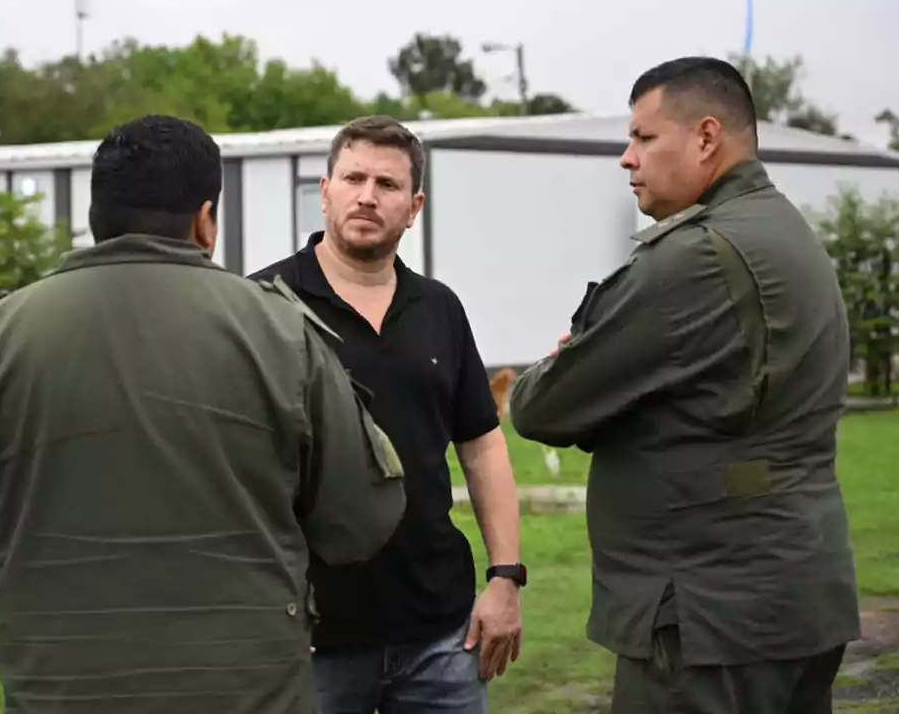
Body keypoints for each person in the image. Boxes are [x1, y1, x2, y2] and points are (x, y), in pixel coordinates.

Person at [0, 114, 408, 714]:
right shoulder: (281, 332)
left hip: (59, 689)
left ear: (94, 217)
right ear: (205, 220)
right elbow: (360, 517)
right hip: (247, 690)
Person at [508, 57, 860, 714]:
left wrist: (574, 365)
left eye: (643, 137)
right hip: (798, 588)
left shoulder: (694, 257)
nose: (626, 158)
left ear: (705, 137)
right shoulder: (785, 230)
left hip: (708, 610)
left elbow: (540, 408)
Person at [249, 115, 524, 714]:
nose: (367, 196)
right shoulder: (262, 306)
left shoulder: (439, 309)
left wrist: (505, 575)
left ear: (414, 205)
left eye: (387, 184)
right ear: (325, 192)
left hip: (439, 635)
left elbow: (482, 445)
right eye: (352, 178)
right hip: (309, 635)